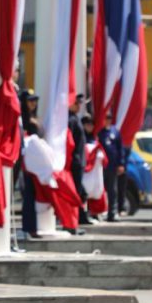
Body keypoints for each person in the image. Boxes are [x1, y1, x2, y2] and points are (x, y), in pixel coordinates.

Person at [18, 89, 41, 238]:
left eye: (35, 100)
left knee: (33, 194)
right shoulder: (22, 119)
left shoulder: (33, 117)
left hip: (34, 161)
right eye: (30, 101)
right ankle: (28, 227)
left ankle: (32, 226)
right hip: (25, 162)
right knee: (27, 194)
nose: (33, 104)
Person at [99, 117, 127, 222]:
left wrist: (121, 164)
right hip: (100, 166)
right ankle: (99, 212)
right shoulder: (100, 132)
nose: (107, 120)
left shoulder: (115, 132)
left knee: (112, 191)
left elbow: (120, 149)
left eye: (109, 118)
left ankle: (112, 213)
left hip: (112, 166)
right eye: (106, 118)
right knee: (99, 190)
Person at [68, 93, 90, 225]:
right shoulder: (70, 120)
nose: (78, 106)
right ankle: (77, 218)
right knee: (78, 192)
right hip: (75, 162)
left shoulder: (75, 118)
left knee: (81, 192)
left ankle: (80, 217)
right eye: (76, 103)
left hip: (79, 160)